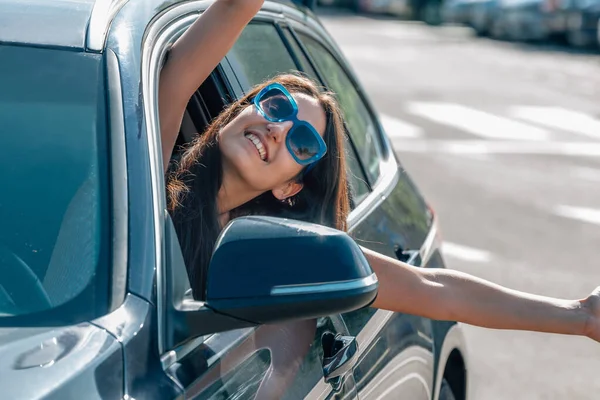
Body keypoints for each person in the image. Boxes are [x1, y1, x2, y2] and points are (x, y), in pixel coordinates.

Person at [159, 0, 599, 351]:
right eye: (276, 106)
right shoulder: (146, 173)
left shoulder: (285, 255)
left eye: (302, 142)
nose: (277, 129)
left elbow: (436, 291)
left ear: (290, 186)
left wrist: (580, 316)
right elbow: (234, 7)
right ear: (242, 111)